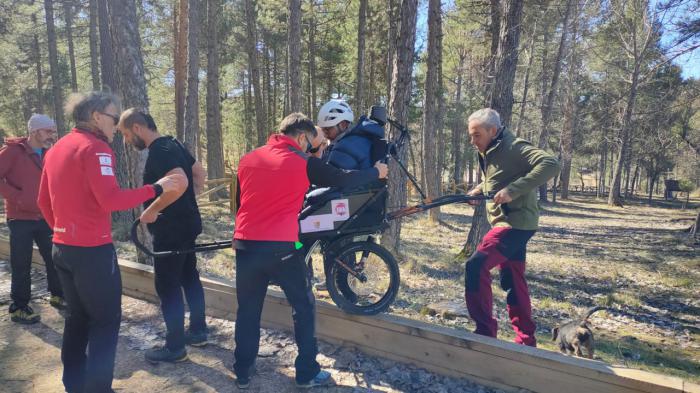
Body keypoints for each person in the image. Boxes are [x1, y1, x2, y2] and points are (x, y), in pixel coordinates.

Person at [37, 92, 181, 393]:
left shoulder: (57, 147)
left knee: (77, 318)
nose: (116, 127)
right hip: (92, 252)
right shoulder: (96, 149)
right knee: (105, 322)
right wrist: (156, 187)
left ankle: (74, 384)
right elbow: (111, 200)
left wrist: (63, 233)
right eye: (114, 119)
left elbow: (42, 201)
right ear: (96, 116)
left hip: (62, 247)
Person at [233, 113, 388, 389]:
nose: (312, 148)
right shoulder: (303, 162)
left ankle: (243, 371)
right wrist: (377, 172)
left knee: (247, 310)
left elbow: (240, 203)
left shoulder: (248, 159)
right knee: (303, 306)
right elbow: (343, 179)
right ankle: (306, 372)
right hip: (283, 247)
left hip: (244, 246)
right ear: (302, 137)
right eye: (311, 142)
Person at [118, 108, 208, 363]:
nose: (126, 141)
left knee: (167, 286)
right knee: (189, 276)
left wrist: (151, 210)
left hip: (171, 230)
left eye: (126, 135)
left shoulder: (159, 151)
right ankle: (199, 330)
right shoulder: (174, 143)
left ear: (137, 128)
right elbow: (198, 171)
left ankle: (175, 346)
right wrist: (191, 200)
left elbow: (179, 181)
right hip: (188, 225)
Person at [464, 108, 560, 347]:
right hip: (511, 222)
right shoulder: (493, 148)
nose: (472, 141)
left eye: (476, 135)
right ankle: (526, 340)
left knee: (476, 265)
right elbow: (500, 176)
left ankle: (485, 333)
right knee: (513, 280)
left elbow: (551, 164)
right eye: (471, 135)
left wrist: (513, 191)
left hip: (514, 223)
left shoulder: (514, 146)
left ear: (492, 131)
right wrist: (479, 189)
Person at [0, 114, 64, 324]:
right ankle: (19, 307)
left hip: (45, 216)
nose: (52, 135)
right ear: (35, 131)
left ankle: (58, 295)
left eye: (53, 131)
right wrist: (18, 197)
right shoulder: (13, 151)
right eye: (48, 131)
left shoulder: (50, 152)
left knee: (54, 258)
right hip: (20, 218)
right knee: (21, 264)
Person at [316, 99, 384, 170]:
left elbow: (328, 177)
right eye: (323, 130)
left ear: (343, 125)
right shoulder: (360, 138)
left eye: (327, 129)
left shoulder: (345, 147)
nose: (325, 135)